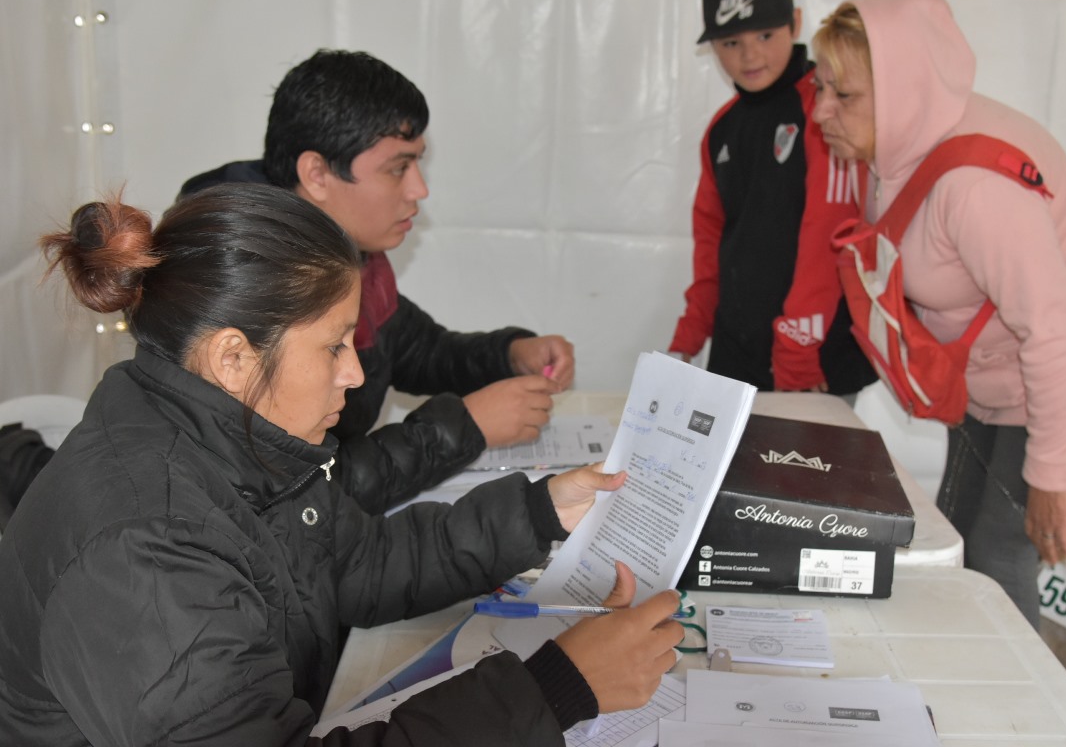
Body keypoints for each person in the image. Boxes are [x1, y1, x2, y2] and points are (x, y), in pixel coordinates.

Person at [0, 184, 684, 746]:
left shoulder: (236, 440)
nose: (355, 375)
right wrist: (557, 690)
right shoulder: (142, 549)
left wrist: (541, 512)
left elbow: (355, 562)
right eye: (333, 347)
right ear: (231, 358)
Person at [810, 0, 1066, 626]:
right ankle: (957, 666)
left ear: (905, 91)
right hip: (994, 370)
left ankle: (1020, 717)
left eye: (844, 95)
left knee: (1001, 544)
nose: (821, 110)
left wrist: (1051, 476)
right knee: (955, 525)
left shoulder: (977, 191)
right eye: (821, 86)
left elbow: (1056, 334)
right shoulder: (894, 146)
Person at [180, 49, 575, 513]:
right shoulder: (241, 294)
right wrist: (465, 428)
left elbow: (415, 349)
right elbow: (297, 498)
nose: (419, 189)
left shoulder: (340, 255)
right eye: (397, 168)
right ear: (317, 174)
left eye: (417, 164)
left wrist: (509, 355)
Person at [668, 0, 876, 400]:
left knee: (805, 467)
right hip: (736, 356)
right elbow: (711, 246)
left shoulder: (825, 112)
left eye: (765, 34)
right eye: (730, 42)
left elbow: (828, 240)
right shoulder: (722, 128)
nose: (750, 55)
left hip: (811, 360)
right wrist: (686, 340)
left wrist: (799, 356)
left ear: (795, 23)